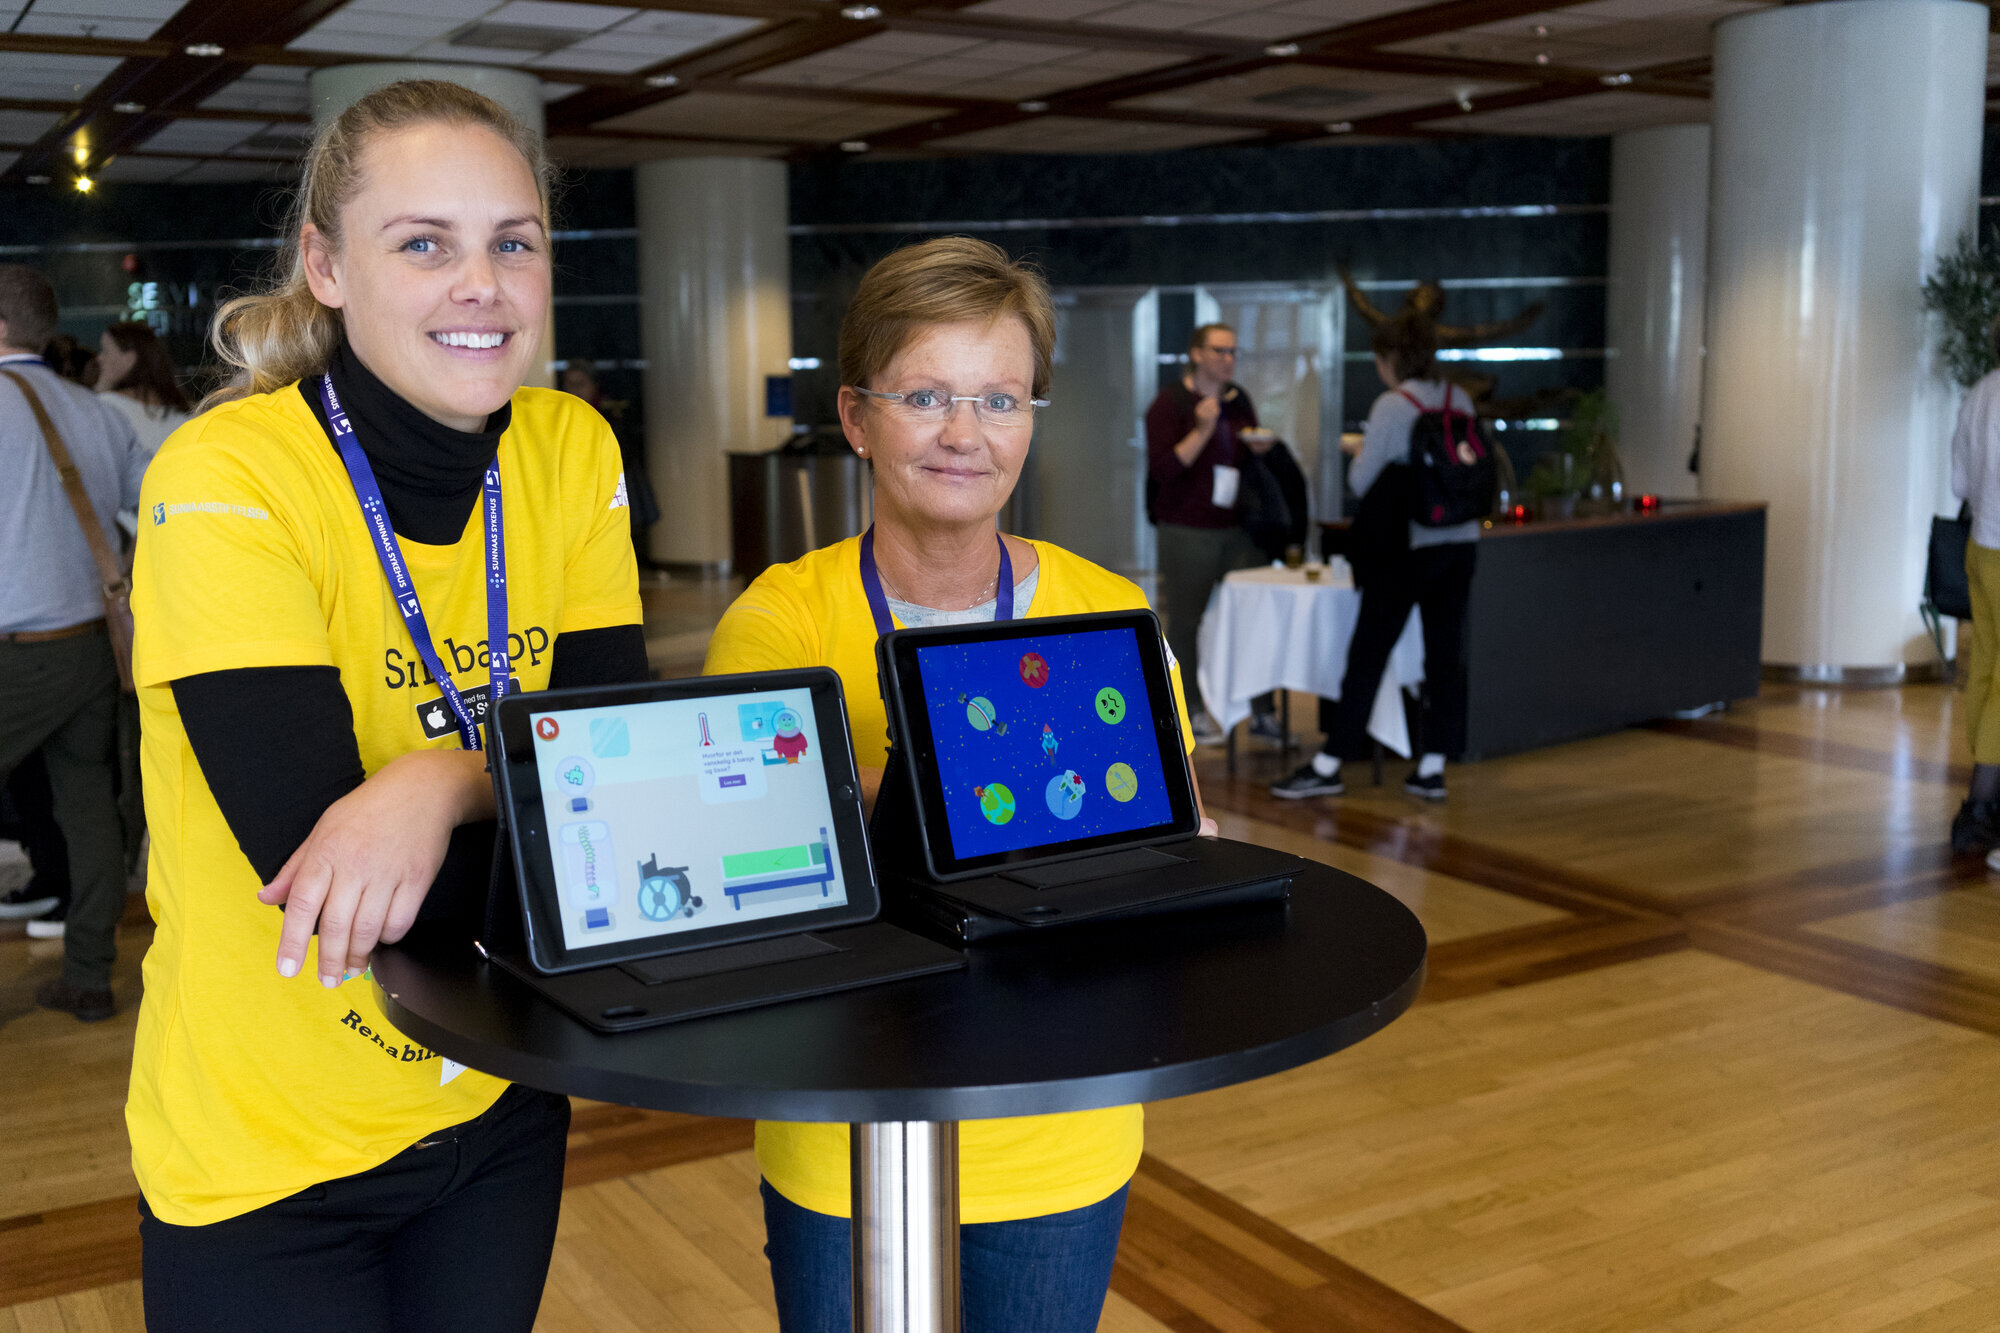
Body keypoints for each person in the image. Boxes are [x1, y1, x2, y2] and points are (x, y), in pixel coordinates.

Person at [126, 80, 645, 1331]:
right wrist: (514, 786)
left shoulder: (570, 448)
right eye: (423, 244)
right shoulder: (229, 477)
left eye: (512, 243)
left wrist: (436, 778)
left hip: (500, 1093)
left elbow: (613, 807)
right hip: (270, 1153)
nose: (482, 285)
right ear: (326, 266)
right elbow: (341, 897)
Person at [704, 236, 1214, 1333]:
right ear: (856, 417)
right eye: (925, 396)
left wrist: (877, 787)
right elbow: (766, 847)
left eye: (999, 399)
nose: (963, 434)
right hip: (842, 1121)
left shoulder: (1108, 613)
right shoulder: (778, 622)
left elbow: (1176, 835)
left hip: (1058, 1123)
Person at [0, 264, 146, 1008]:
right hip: (93, 643)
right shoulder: (97, 412)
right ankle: (89, 978)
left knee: (82, 804)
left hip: (15, 653)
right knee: (88, 805)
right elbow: (147, 504)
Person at [1272, 312, 1479, 803]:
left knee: (1368, 653)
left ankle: (1330, 763)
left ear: (1389, 359)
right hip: (1460, 541)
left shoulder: (1392, 404)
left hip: (1406, 547)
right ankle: (1433, 767)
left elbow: (1361, 480)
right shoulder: (1459, 398)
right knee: (1445, 653)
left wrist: (1364, 451)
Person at [1144, 322, 1281, 745]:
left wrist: (1260, 451)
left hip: (1238, 528)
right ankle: (1191, 714)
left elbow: (1246, 461)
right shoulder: (1169, 404)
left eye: (1234, 351)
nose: (1228, 359)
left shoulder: (1239, 400)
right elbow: (1163, 470)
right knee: (1186, 624)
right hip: (1187, 528)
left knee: (1256, 616)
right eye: (1220, 351)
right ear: (1197, 353)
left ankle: (1261, 712)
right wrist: (1202, 430)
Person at [1951, 327, 2000, 857]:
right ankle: (1983, 803)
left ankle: (1982, 800)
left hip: (1981, 547)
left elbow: (1959, 484)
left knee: (1985, 668)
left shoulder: (1981, 391)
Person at [98, 320, 193, 467]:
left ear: (129, 359)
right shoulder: (183, 414)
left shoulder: (108, 406)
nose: (99, 358)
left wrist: (100, 388)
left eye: (105, 351)